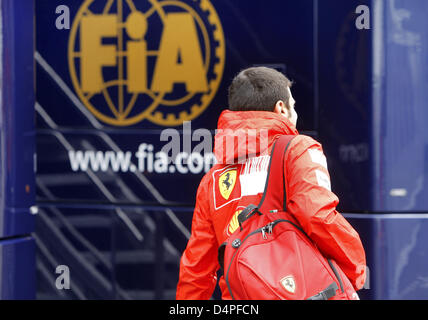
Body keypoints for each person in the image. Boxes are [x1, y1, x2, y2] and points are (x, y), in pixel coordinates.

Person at [176, 67, 366, 300]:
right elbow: (319, 217)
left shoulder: (212, 180)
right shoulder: (297, 149)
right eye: (293, 106)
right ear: (281, 108)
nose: (295, 113)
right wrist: (354, 273)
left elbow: (196, 267)